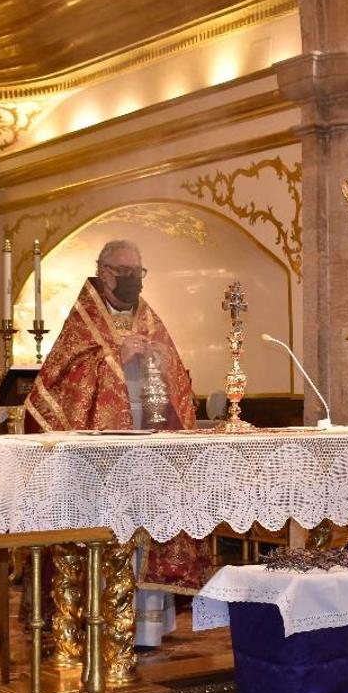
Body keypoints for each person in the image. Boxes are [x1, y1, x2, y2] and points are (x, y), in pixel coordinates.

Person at [24, 239, 212, 645]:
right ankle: (94, 620)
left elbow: (176, 376)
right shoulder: (84, 321)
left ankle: (144, 630)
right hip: (102, 459)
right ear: (104, 272)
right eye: (125, 273)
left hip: (149, 448)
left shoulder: (148, 316)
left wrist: (158, 359)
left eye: (138, 274)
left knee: (148, 529)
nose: (132, 282)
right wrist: (114, 361)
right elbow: (59, 383)